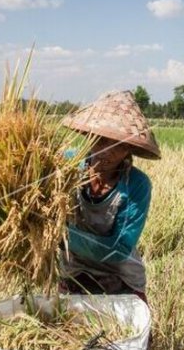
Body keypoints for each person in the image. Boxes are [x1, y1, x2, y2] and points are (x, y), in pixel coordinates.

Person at [58, 90, 161, 299]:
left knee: (125, 330)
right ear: (88, 136)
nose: (107, 150)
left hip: (119, 277)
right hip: (74, 271)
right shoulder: (66, 165)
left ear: (129, 150)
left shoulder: (137, 185)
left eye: (119, 145)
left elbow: (119, 249)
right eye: (101, 140)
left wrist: (61, 237)